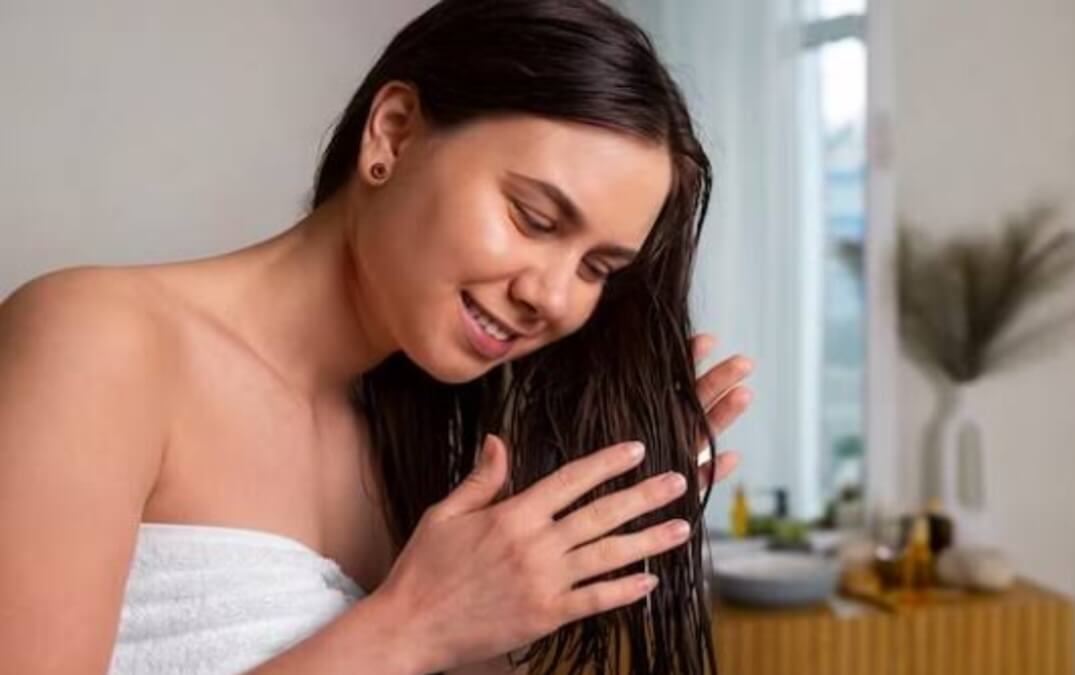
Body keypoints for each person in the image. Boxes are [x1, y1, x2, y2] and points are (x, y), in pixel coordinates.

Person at [0, 1, 754, 673]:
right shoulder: (101, 344)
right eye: (533, 218)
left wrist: (563, 549)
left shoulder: (435, 447)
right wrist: (408, 626)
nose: (550, 296)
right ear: (392, 132)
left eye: (596, 266)